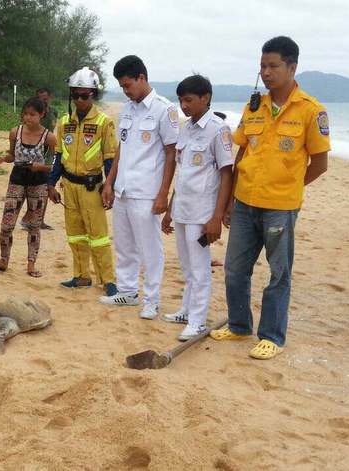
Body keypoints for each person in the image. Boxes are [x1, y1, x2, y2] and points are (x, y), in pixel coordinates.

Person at [210, 36, 330, 359]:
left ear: (292, 67)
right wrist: (232, 199)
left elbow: (320, 163)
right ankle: (238, 325)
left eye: (273, 66)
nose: (265, 72)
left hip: (281, 208)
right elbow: (241, 151)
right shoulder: (254, 108)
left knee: (279, 273)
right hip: (246, 203)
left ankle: (272, 336)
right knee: (235, 268)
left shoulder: (311, 110)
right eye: (262, 66)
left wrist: (291, 186)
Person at [100, 55, 179, 319]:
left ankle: (152, 299)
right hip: (123, 187)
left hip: (147, 191)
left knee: (150, 247)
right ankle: (127, 291)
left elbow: (171, 153)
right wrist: (109, 182)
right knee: (124, 244)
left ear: (141, 78)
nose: (125, 90)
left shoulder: (164, 109)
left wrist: (163, 193)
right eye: (121, 87)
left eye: (127, 85)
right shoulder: (127, 109)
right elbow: (121, 149)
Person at [160, 75, 234, 341]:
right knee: (187, 265)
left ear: (205, 98)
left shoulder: (218, 129)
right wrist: (169, 209)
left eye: (189, 100)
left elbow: (227, 174)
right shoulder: (186, 128)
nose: (184, 105)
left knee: (200, 267)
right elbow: (183, 173)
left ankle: (198, 320)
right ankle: (187, 310)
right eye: (180, 100)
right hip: (182, 207)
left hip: (202, 211)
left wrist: (217, 216)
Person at [48, 67, 118, 297]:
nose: (79, 100)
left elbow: (109, 158)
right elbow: (59, 155)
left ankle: (107, 280)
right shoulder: (64, 122)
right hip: (69, 187)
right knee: (75, 235)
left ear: (93, 95)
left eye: (84, 95)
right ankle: (81, 276)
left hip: (92, 188)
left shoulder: (103, 123)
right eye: (75, 95)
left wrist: (110, 186)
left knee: (98, 236)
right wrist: (51, 183)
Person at [0, 97, 56, 277]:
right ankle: (3, 259)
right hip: (17, 180)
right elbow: (12, 154)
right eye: (25, 114)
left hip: (38, 183)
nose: (28, 118)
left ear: (42, 114)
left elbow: (55, 165)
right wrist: (4, 158)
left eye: (32, 114)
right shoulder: (15, 132)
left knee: (34, 226)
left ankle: (31, 264)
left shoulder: (49, 137)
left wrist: (41, 167)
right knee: (7, 225)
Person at [21, 88, 57, 231]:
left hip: (47, 153)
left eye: (45, 99)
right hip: (33, 152)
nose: (43, 101)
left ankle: (39, 219)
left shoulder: (53, 112)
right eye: (40, 99)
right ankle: (29, 218)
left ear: (50, 98)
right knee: (29, 186)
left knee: (46, 186)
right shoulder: (33, 114)